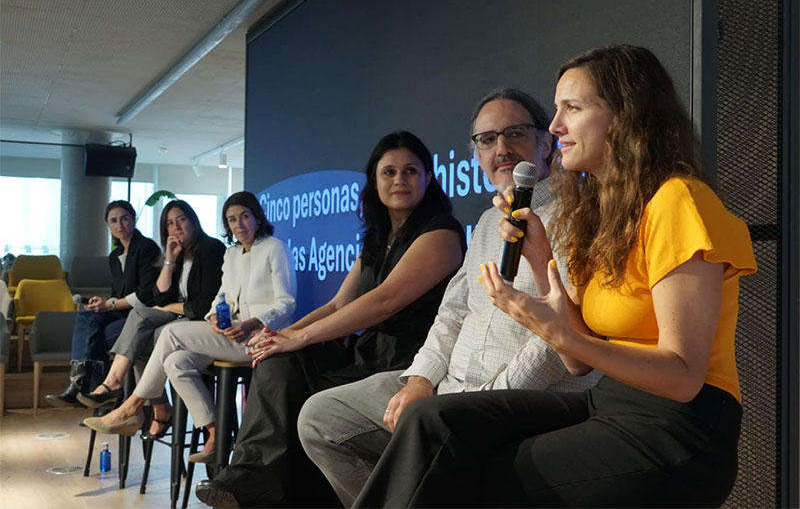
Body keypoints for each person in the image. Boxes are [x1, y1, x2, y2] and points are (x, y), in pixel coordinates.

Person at [352, 45, 758, 508]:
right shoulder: (603, 213)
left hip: (679, 427)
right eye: (557, 108)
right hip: (610, 402)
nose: (555, 126)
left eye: (573, 108)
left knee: (481, 476)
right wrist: (541, 262)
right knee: (433, 421)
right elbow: (577, 363)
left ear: (625, 117)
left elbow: (683, 376)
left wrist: (557, 332)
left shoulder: (678, 201)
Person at [297, 88, 599, 507]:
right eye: (487, 140)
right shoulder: (488, 220)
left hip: (524, 397)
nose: (503, 148)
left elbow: (559, 337)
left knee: (427, 429)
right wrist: (421, 380)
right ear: (476, 154)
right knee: (320, 418)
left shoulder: (579, 216)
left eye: (515, 133)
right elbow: (453, 312)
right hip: (449, 387)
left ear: (546, 142)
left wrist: (482, 401)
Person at [195, 131, 466, 508]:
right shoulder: (377, 238)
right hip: (367, 351)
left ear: (428, 178)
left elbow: (383, 302)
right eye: (389, 172)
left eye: (410, 171)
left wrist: (302, 337)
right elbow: (340, 304)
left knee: (298, 370)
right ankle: (250, 478)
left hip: (409, 360)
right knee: (278, 360)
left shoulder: (441, 233)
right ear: (374, 181)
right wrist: (283, 335)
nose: (399, 180)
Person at [83, 191, 296, 459]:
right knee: (176, 363)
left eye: (244, 217)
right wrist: (214, 318)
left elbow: (287, 302)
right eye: (231, 220)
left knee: (169, 332)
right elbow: (221, 297)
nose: (239, 225)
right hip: (229, 334)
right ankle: (215, 433)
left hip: (258, 337)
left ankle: (131, 407)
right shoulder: (231, 254)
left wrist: (254, 321)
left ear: (257, 217)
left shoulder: (275, 248)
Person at [76, 200, 225, 439]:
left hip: (199, 320)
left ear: (193, 220)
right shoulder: (179, 254)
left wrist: (169, 306)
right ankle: (154, 407)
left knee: (141, 325)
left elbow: (202, 305)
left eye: (181, 220)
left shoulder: (211, 249)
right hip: (177, 315)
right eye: (169, 224)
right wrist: (169, 259)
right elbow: (159, 294)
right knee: (139, 335)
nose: (176, 228)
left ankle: (124, 393)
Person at [46, 200, 161, 407]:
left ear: (133, 220)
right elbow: (117, 293)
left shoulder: (146, 248)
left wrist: (110, 305)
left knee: (97, 335)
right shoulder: (115, 255)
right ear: (108, 225)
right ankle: (80, 385)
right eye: (114, 221)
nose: (120, 225)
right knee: (86, 316)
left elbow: (147, 295)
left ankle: (97, 395)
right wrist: (105, 302)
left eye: (125, 219)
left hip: (143, 315)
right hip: (124, 312)